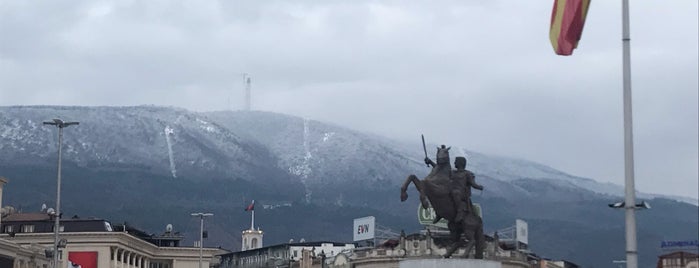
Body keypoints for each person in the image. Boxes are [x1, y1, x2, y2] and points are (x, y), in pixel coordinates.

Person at [450, 156, 483, 223]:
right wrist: (430, 162)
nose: (454, 163)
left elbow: (473, 184)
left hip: (461, 194)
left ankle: (460, 210)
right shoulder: (452, 172)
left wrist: (479, 187)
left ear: (460, 163)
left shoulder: (467, 174)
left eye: (456, 161)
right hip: (452, 192)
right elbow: (441, 170)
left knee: (456, 192)